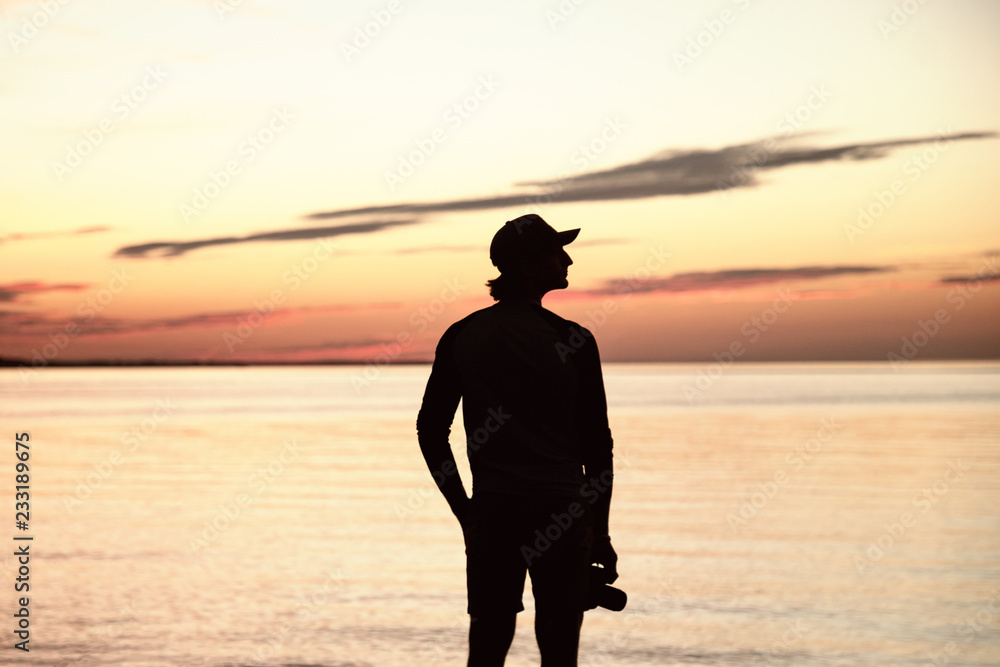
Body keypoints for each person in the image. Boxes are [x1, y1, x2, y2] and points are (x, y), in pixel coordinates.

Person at [416, 213, 618, 666]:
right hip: (563, 513)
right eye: (555, 251)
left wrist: (466, 510)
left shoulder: (462, 335)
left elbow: (430, 430)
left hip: (494, 512)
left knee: (486, 649)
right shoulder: (574, 340)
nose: (566, 258)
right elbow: (597, 447)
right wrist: (600, 532)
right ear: (528, 266)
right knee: (560, 651)